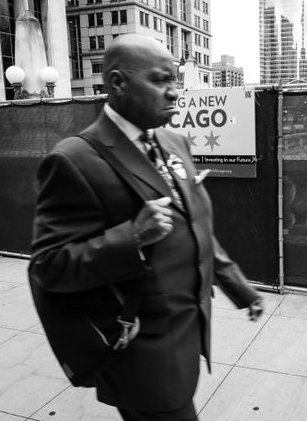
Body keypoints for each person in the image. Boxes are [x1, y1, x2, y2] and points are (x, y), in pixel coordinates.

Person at [28, 34, 263, 421]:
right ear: (118, 83)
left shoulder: (175, 142)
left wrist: (237, 284)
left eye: (175, 81)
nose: (174, 93)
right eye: (159, 80)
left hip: (187, 335)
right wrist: (131, 237)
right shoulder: (73, 160)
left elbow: (194, 225)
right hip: (141, 352)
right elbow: (49, 266)